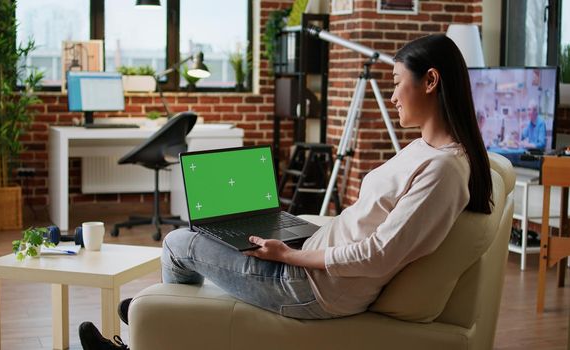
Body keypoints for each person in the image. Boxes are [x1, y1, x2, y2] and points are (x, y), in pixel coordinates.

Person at [78, 33, 493, 350]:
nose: (391, 95)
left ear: (430, 81)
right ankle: (158, 324)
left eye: (398, 82)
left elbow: (381, 252)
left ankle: (146, 337)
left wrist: (291, 254)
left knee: (178, 242)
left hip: (314, 287)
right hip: (314, 260)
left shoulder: (442, 170)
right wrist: (303, 237)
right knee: (222, 228)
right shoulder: (428, 149)